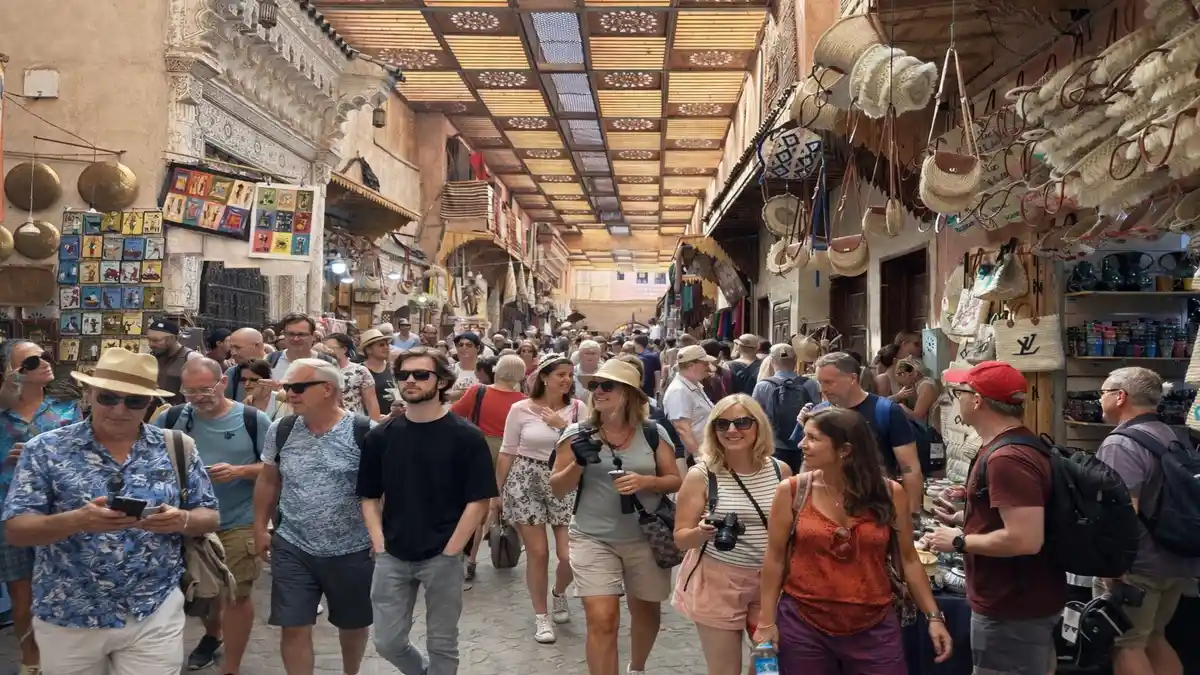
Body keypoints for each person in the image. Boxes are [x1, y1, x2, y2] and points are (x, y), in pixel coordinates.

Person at [3, 348, 220, 674]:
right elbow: (17, 530)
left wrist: (182, 519)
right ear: (90, 394)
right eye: (108, 397)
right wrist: (78, 520)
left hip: (152, 611)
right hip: (69, 615)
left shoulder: (176, 446)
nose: (119, 409)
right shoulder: (45, 449)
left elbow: (210, 515)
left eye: (134, 401)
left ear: (149, 403)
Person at [756, 407, 950, 672]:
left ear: (844, 449)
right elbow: (775, 559)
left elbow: (909, 559)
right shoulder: (792, 491)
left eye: (813, 438)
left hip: (874, 625)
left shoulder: (890, 493)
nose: (801, 444)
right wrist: (766, 622)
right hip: (803, 623)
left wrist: (934, 617)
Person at [361, 346, 497, 675]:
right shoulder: (380, 437)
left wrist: (452, 550)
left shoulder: (467, 436)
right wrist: (379, 544)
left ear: (442, 382)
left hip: (443, 556)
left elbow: (479, 500)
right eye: (403, 375)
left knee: (442, 643)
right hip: (393, 553)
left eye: (421, 374)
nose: (410, 380)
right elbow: (368, 496)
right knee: (387, 642)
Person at [927, 361, 1065, 675]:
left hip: (1012, 604)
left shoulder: (1007, 458)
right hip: (1018, 599)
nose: (957, 400)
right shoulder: (1013, 445)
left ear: (977, 400)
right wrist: (966, 515)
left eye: (960, 392)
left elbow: (1025, 539)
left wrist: (959, 541)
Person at [550, 359, 682, 675]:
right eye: (594, 385)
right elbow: (557, 488)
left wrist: (645, 482)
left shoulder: (653, 432)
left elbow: (674, 480)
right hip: (592, 537)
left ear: (629, 394)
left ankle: (637, 667)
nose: (597, 391)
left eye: (607, 386)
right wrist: (579, 462)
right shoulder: (577, 433)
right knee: (602, 619)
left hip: (646, 538)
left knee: (646, 612)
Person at [252, 358, 375, 675]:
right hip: (293, 545)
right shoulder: (282, 429)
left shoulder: (365, 432)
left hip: (353, 547)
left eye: (298, 387)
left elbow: (384, 490)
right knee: (292, 625)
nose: (290, 393)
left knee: (352, 623)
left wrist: (380, 536)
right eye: (287, 387)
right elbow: (268, 479)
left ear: (327, 389)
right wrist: (260, 527)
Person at [153, 357, 270, 674]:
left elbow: (274, 468)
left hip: (237, 520)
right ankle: (212, 635)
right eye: (190, 392)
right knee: (201, 592)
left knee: (236, 594)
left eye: (206, 389)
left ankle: (231, 666)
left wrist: (240, 471)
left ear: (223, 383)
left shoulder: (252, 419)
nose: (199, 397)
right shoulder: (171, 418)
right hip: (187, 522)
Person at [673, 395, 792, 675]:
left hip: (770, 583)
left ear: (758, 425)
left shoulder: (780, 470)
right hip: (718, 581)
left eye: (742, 422)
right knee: (725, 670)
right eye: (722, 424)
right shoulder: (701, 475)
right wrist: (701, 532)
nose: (731, 430)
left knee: (768, 666)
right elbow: (680, 538)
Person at [1092, 367, 1199, 675]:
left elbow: (1123, 511)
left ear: (1120, 396)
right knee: (1153, 637)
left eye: (1102, 393)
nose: (1099, 400)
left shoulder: (1119, 444)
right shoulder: (1170, 434)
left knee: (1126, 643)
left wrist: (1113, 565)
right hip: (1175, 557)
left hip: (1138, 567)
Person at [0, 340, 82, 675]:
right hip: (12, 513)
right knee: (22, 595)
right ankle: (30, 659)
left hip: (60, 511)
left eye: (45, 356)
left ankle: (66, 658)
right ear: (12, 370)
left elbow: (83, 456)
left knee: (67, 588)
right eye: (31, 361)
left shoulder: (66, 406)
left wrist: (48, 457)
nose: (44, 363)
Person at [497, 354, 584, 643]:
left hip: (564, 479)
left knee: (568, 555)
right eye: (561, 374)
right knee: (538, 553)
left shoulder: (578, 408)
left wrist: (563, 426)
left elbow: (588, 446)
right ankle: (541, 616)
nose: (567, 379)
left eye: (569, 374)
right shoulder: (520, 409)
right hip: (526, 480)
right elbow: (508, 450)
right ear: (544, 377)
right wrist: (496, 491)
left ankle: (559, 592)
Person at [794, 352, 923, 517]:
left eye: (829, 382)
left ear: (852, 378)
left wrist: (912, 514)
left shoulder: (886, 411)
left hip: (876, 508)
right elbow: (808, 464)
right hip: (825, 509)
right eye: (820, 382)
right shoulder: (818, 413)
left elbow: (909, 467)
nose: (822, 388)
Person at [449, 354, 525, 585]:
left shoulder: (478, 391)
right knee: (497, 503)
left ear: (496, 370)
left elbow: (453, 414)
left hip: (478, 448)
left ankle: (469, 559)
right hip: (510, 453)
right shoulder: (522, 401)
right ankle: (499, 543)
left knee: (475, 504)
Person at [752, 344, 821, 473]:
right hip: (804, 443)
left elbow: (755, 416)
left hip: (774, 444)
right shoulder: (811, 384)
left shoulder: (762, 386)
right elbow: (818, 413)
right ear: (795, 361)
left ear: (772, 361)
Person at [662, 345, 716, 470]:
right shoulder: (679, 391)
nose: (708, 367)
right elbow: (683, 430)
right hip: (695, 459)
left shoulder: (693, 385)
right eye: (705, 364)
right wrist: (701, 459)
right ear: (692, 366)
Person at [146, 318, 205, 404]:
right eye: (149, 340)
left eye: (156, 340)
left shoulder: (192, 359)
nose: (151, 344)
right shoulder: (150, 357)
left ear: (172, 339)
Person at [324, 333, 381, 420]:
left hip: (354, 421)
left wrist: (375, 425)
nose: (328, 352)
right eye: (325, 348)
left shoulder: (359, 370)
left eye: (332, 348)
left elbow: (371, 403)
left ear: (344, 349)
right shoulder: (321, 371)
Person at [268, 314, 336, 382]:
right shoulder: (270, 360)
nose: (296, 339)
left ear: (313, 336)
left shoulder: (328, 363)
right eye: (291, 334)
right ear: (284, 334)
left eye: (301, 334)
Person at [890, 356, 939, 423]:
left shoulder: (926, 386)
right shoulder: (917, 385)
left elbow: (917, 417)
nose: (902, 386)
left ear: (904, 374)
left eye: (901, 384)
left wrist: (900, 406)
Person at [225, 328, 268, 402]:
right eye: (231, 348)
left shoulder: (279, 369)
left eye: (238, 348)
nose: (233, 353)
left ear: (256, 345)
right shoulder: (232, 373)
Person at [449, 332, 482, 402]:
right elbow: (443, 396)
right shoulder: (450, 370)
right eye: (460, 345)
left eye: (469, 345)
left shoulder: (486, 369)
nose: (464, 348)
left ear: (478, 348)